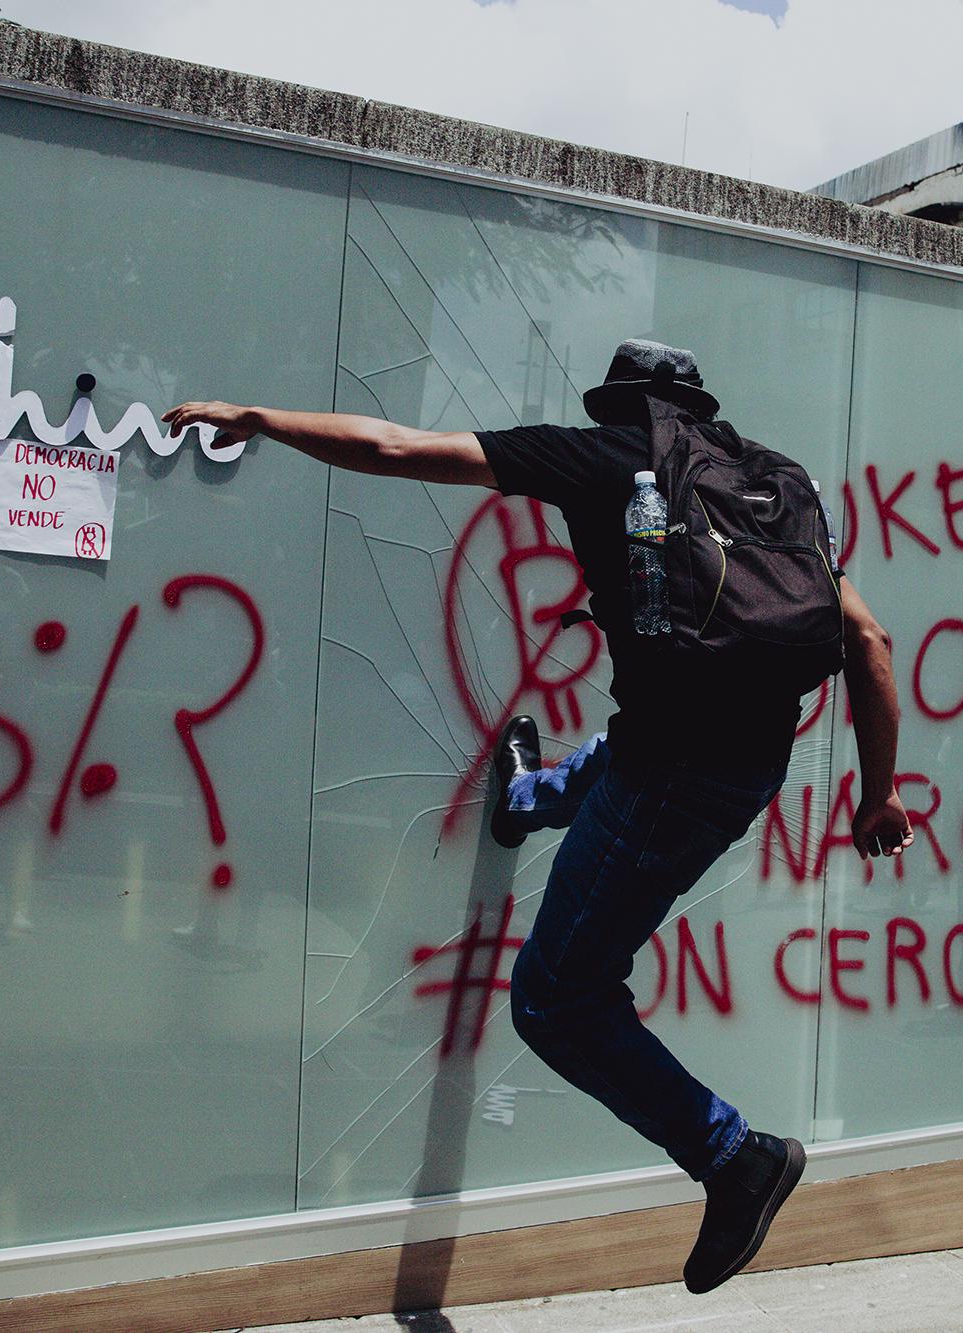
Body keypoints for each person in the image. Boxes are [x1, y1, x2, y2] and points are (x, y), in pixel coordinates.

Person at [165, 339, 912, 1294]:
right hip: (748, 759)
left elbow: (395, 448)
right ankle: (527, 795)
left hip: (667, 773)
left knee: (556, 1000)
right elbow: (870, 640)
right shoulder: (772, 483)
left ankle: (734, 1156)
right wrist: (879, 792)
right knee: (611, 762)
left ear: (620, 406)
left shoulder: (606, 457)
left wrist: (260, 418)